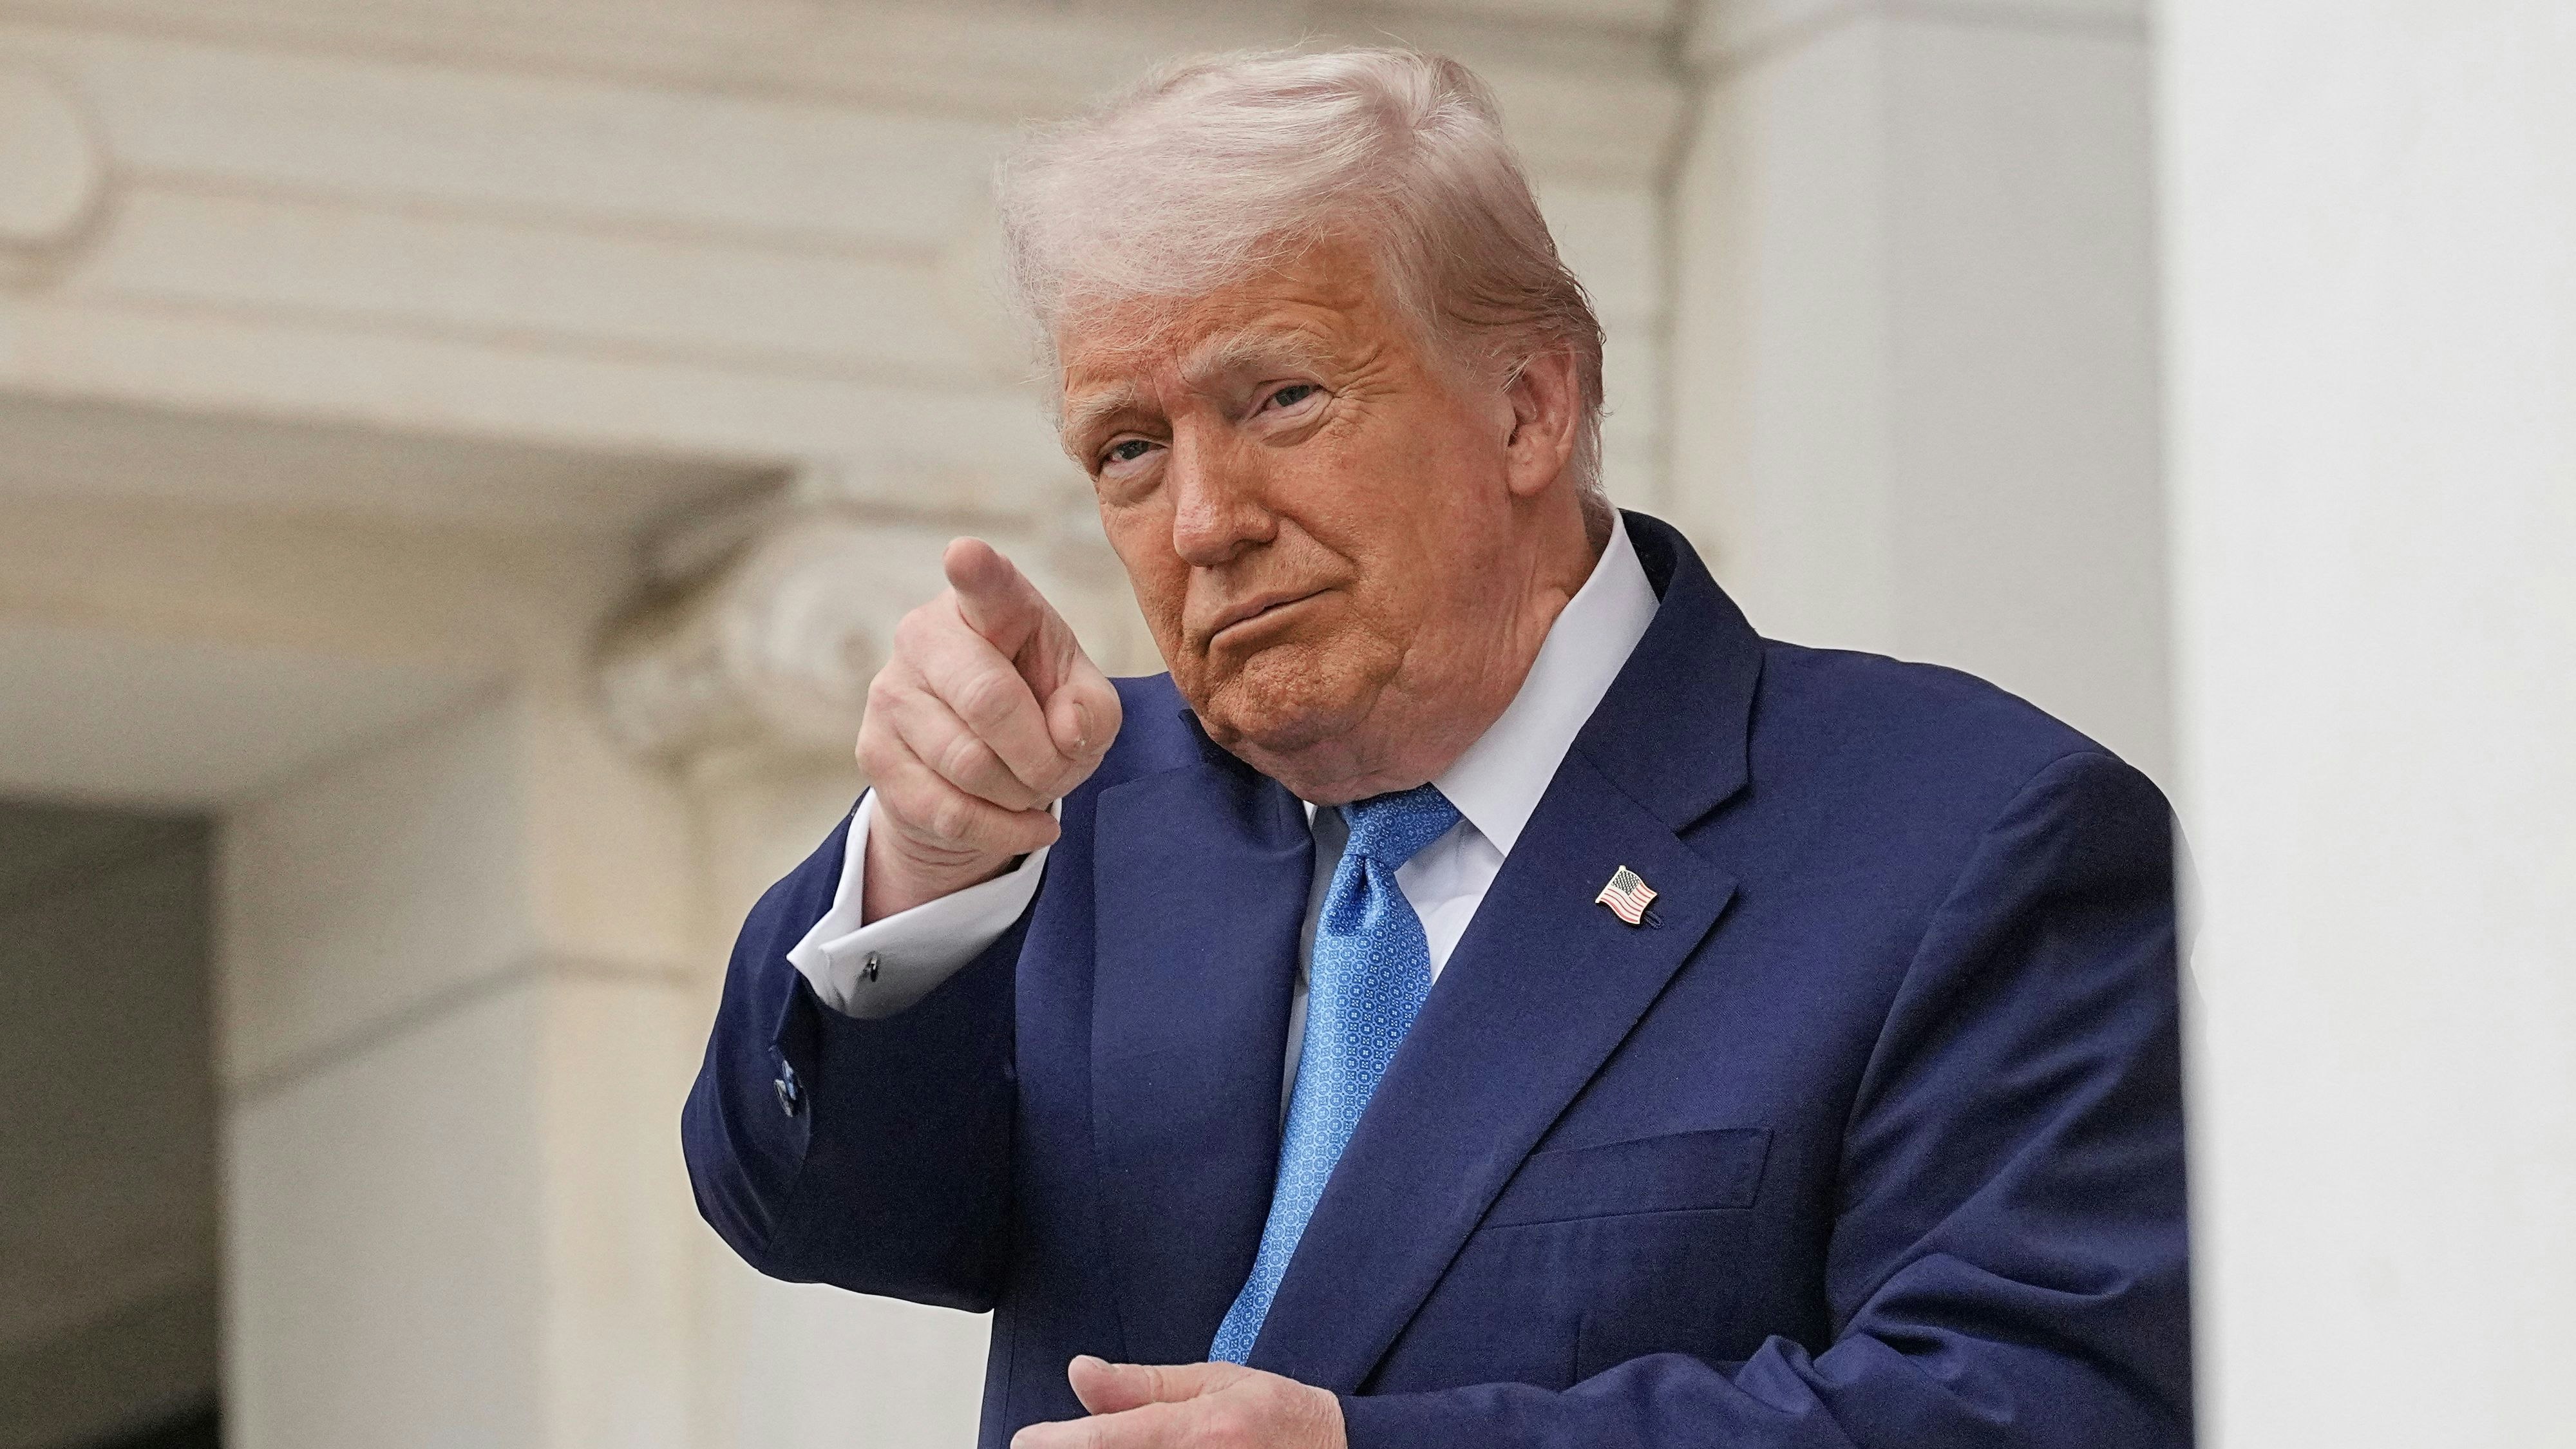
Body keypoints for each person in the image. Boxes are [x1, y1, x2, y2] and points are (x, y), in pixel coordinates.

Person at [683, 47, 2190, 1449]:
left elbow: (2038, 1404)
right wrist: (928, 867)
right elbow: (806, 1206)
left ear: (1529, 408)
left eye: (1280, 399)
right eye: (1129, 449)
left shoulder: (1962, 839)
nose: (1204, 521)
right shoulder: (1073, 816)